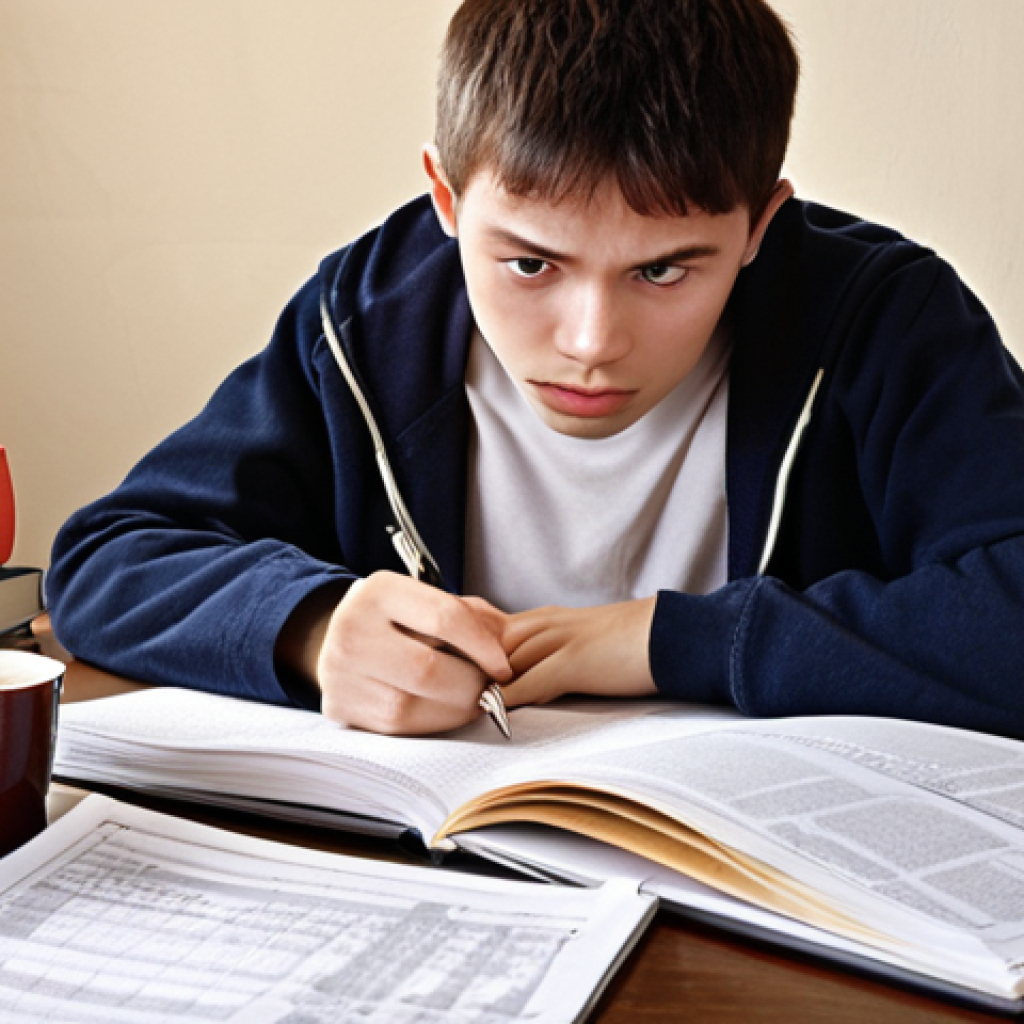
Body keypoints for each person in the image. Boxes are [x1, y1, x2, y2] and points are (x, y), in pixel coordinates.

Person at [47, 0, 1024, 739]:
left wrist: (662, 640)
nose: (591, 339)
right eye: (529, 263)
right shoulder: (366, 317)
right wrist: (311, 626)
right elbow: (104, 559)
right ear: (445, 197)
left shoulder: (884, 318)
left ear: (760, 227)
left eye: (663, 269)